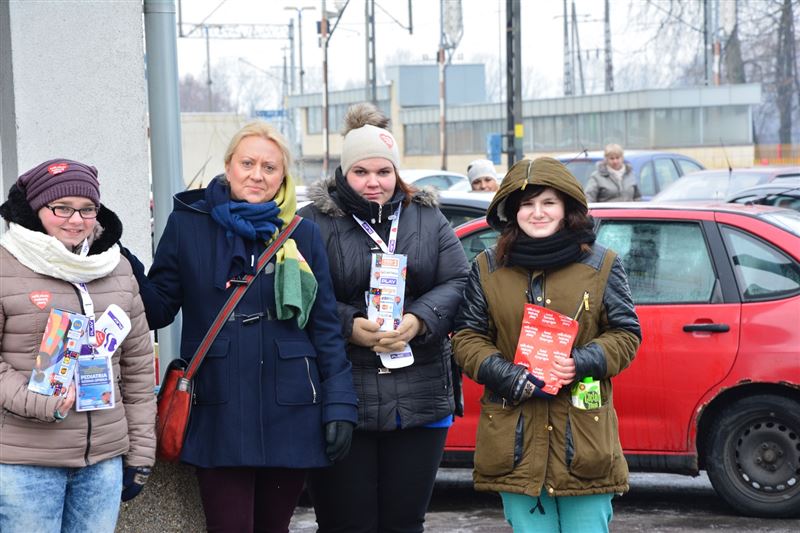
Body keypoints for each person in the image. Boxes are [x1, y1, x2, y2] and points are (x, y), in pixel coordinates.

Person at [126, 122, 359, 532]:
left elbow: (324, 326)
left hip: (291, 409)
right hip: (219, 406)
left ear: (282, 176)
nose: (257, 175)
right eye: (247, 163)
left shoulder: (302, 233)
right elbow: (159, 309)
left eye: (270, 167)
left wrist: (340, 404)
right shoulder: (188, 226)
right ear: (228, 166)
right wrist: (122, 263)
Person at [299, 102, 469, 533]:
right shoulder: (312, 222)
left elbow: (458, 280)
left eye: (383, 171)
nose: (373, 182)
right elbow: (300, 292)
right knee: (344, 524)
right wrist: (348, 325)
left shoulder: (426, 217)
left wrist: (420, 320)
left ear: (396, 173)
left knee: (404, 523)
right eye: (361, 171)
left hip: (419, 395)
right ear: (344, 172)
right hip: (341, 395)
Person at [452, 157, 641, 533]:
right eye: (527, 204)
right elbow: (467, 338)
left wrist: (581, 361)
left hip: (583, 440)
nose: (537, 213)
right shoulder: (487, 268)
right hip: (514, 439)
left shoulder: (602, 264)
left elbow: (626, 334)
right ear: (512, 210)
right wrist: (506, 374)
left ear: (567, 208)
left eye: (548, 203)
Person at [0, 159, 156, 533]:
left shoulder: (116, 267)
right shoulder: (6, 264)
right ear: (37, 209)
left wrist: (140, 451)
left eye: (87, 209)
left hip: (101, 462)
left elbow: (137, 367)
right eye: (62, 208)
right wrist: (39, 400)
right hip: (26, 462)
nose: (76, 220)